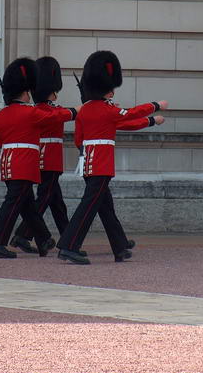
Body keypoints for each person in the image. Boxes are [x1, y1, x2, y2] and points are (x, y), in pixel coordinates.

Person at [57, 50, 168, 265]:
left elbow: (80, 139)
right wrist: (155, 107)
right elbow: (132, 115)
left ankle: (119, 247)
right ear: (107, 89)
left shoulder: (85, 111)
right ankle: (69, 246)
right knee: (88, 206)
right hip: (101, 163)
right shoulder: (108, 110)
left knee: (105, 207)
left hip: (88, 162)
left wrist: (151, 122)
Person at [0, 57, 80, 259]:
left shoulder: (1, 115)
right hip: (24, 164)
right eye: (28, 91)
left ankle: (44, 238)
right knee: (12, 204)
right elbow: (54, 117)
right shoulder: (31, 113)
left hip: (8, 163)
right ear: (24, 91)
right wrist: (75, 112)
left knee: (28, 204)